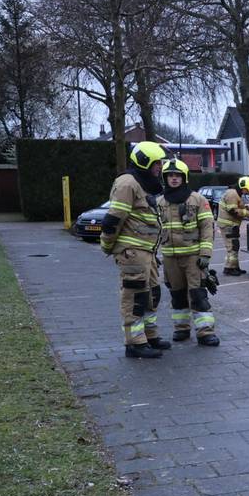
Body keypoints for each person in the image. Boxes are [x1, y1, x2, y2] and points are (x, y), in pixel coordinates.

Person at [101, 141, 171, 358]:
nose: (160, 167)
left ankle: (149, 336)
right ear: (144, 161)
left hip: (146, 252)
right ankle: (134, 343)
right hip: (132, 251)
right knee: (134, 297)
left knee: (151, 295)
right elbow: (114, 219)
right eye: (157, 163)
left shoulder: (142, 183)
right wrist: (107, 245)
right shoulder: (127, 183)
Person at [158, 159, 219, 346]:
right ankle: (181, 329)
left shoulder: (197, 200)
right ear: (165, 178)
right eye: (170, 176)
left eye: (177, 175)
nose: (174, 179)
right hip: (170, 257)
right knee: (177, 295)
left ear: (184, 178)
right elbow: (154, 229)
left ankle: (205, 332)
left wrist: (205, 254)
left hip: (193, 257)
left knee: (198, 295)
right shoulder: (160, 202)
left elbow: (207, 227)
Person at [218, 176, 249, 275]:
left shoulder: (235, 193)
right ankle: (229, 269)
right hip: (228, 225)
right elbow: (233, 210)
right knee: (232, 247)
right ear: (243, 187)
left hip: (231, 225)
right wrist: (247, 213)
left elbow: (237, 206)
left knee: (234, 246)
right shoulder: (232, 194)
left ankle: (235, 267)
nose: (246, 193)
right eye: (246, 190)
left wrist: (246, 208)